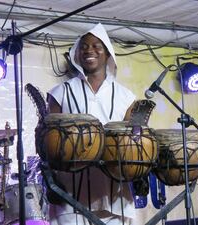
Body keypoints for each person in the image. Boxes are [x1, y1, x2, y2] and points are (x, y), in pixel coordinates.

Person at [46, 23, 136, 225]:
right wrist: (51, 181)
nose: (89, 50)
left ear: (107, 54)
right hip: (69, 194)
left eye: (97, 46)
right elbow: (47, 141)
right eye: (84, 46)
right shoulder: (60, 93)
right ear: (77, 54)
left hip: (115, 196)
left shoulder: (126, 96)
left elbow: (133, 146)